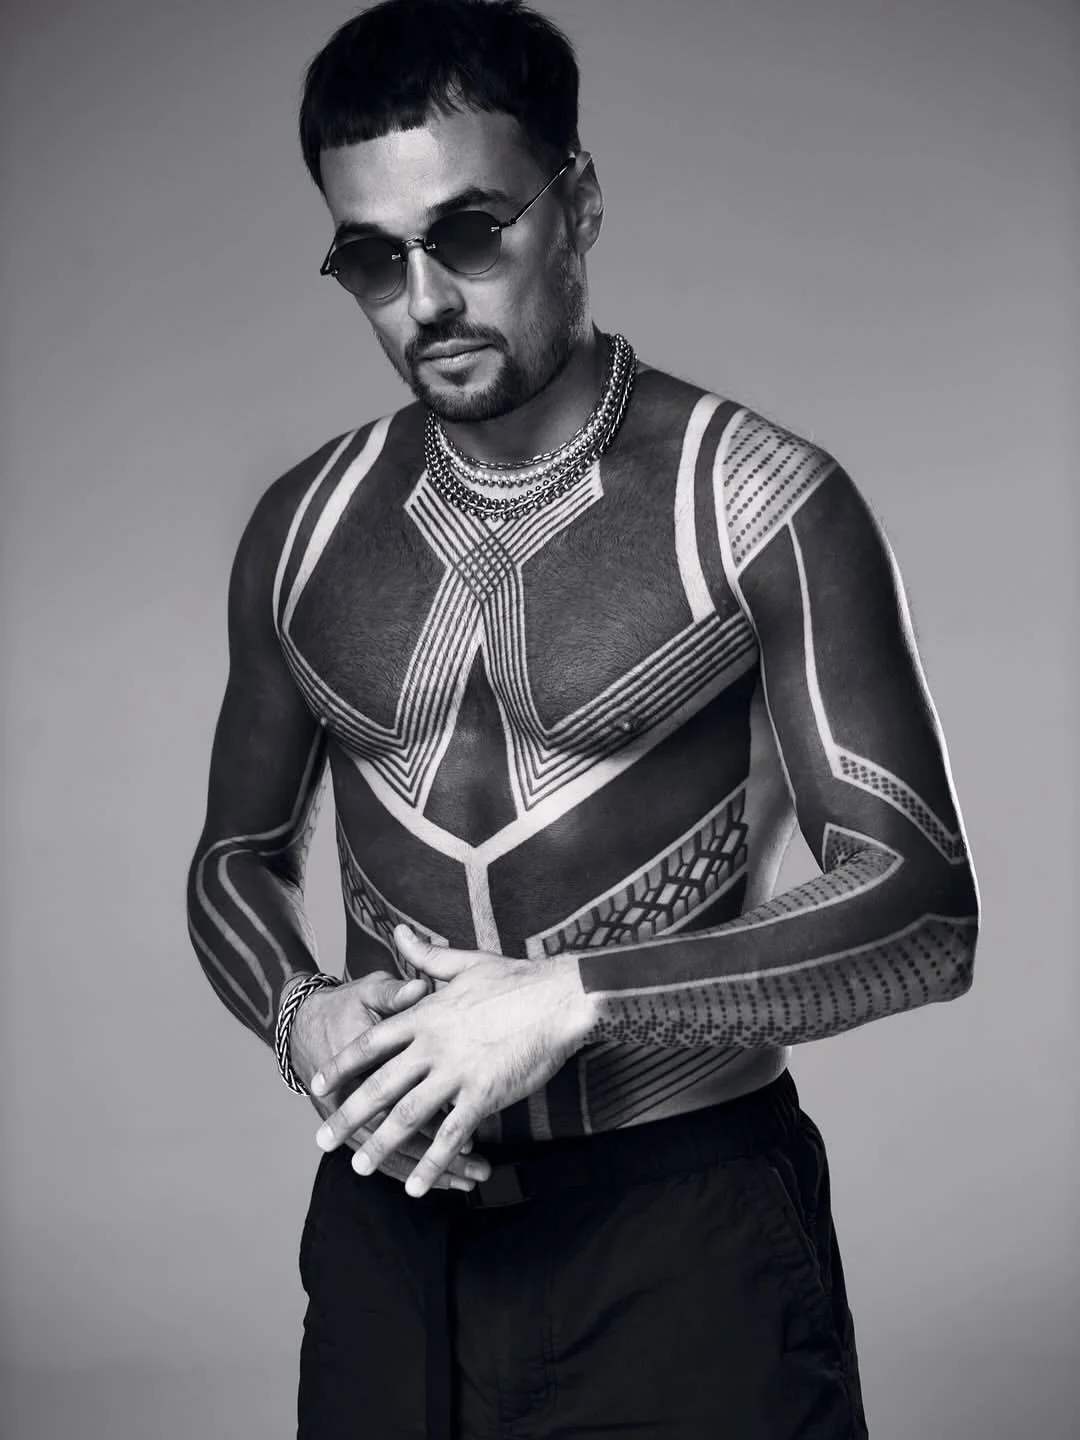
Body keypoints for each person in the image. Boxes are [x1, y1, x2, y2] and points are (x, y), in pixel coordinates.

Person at [186, 1, 980, 1434]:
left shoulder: (757, 503)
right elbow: (230, 862)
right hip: (391, 1233)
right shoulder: (302, 530)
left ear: (581, 203)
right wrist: (302, 1014)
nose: (426, 299)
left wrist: (571, 1000)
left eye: (469, 233)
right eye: (372, 258)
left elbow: (925, 912)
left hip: (681, 1228)